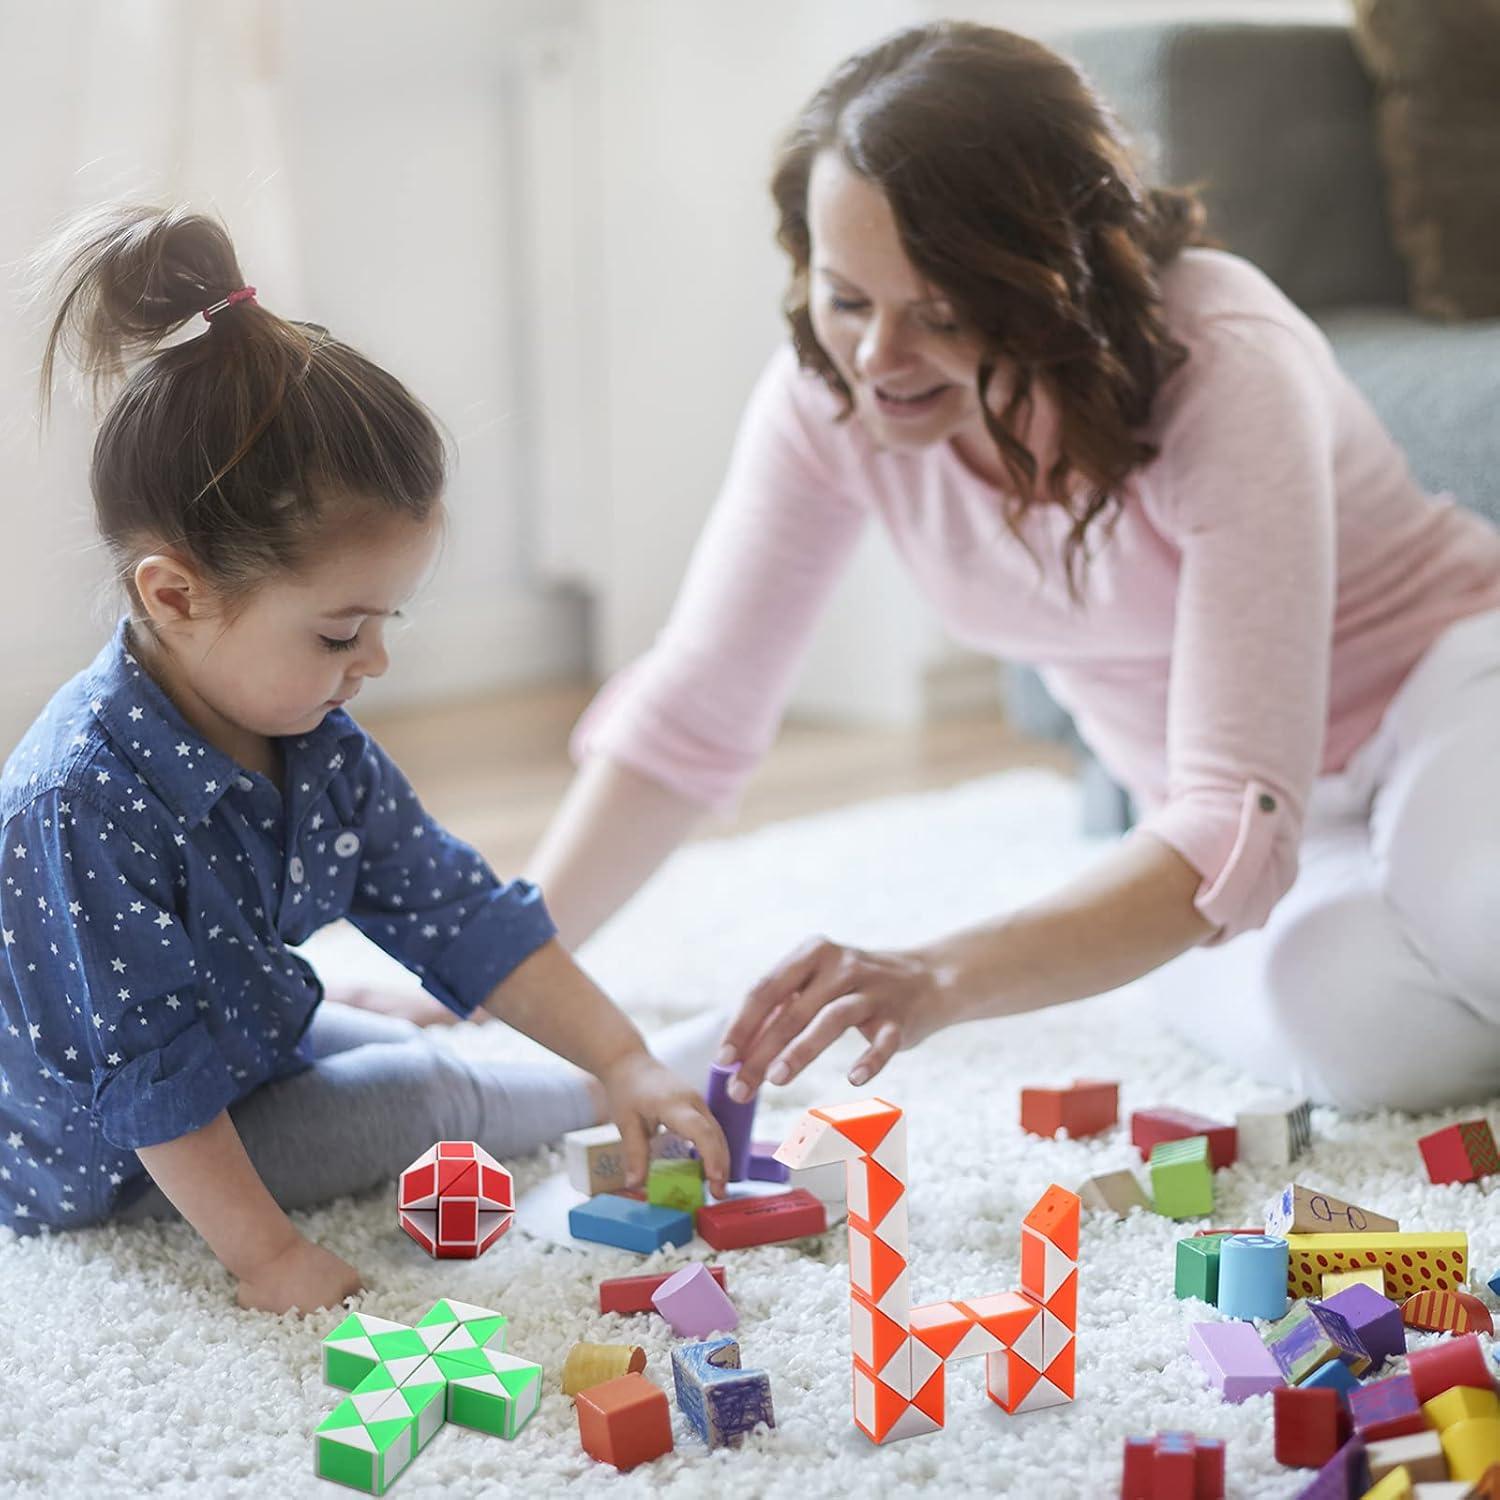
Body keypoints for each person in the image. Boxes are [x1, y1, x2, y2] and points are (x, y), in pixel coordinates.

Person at [521, 22, 1500, 1114]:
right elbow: (696, 704)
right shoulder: (832, 396)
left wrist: (936, 977)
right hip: (1243, 822)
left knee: (1483, 922)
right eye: (848, 299)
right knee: (1367, 1043)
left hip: (1440, 691)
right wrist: (507, 966)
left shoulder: (1218, 361)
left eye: (941, 314)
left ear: (1052, 285)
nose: (879, 361)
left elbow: (1234, 809)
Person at [0, 204, 729, 1315]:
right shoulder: (81, 802)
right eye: (343, 632)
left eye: (387, 621)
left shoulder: (312, 738)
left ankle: (625, 1073)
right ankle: (597, 1087)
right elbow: (151, 1085)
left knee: (382, 1025)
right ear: (176, 594)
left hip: (244, 1028)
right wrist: (271, 1258)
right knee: (417, 1091)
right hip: (101, 1151)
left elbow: (459, 913)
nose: (374, 661)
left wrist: (625, 1050)